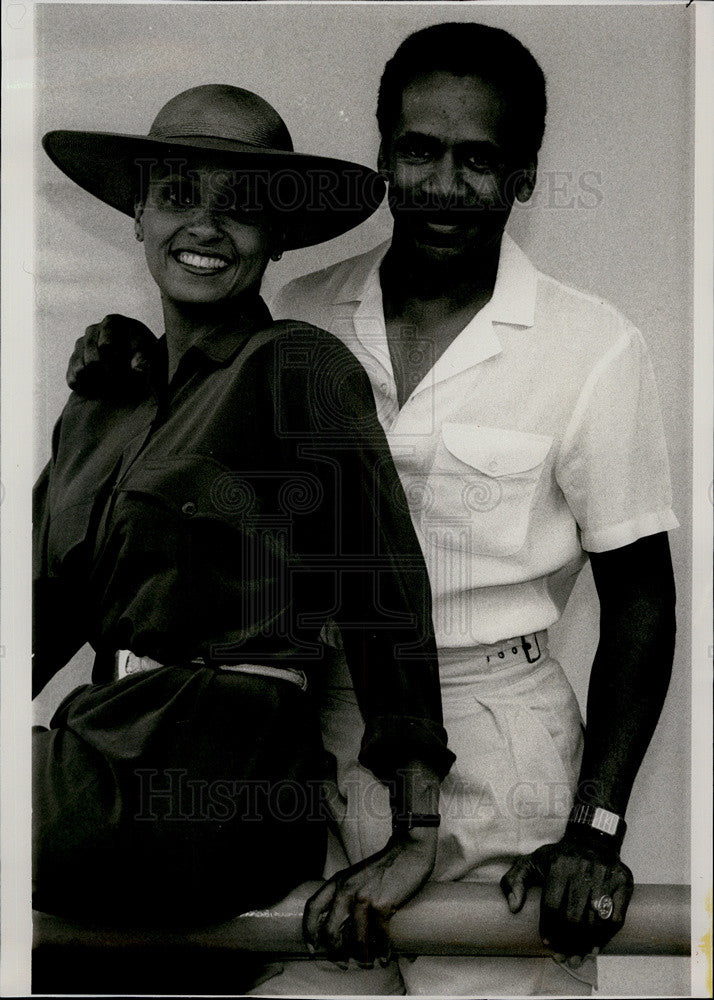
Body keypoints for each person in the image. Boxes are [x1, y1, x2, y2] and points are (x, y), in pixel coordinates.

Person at [64, 23, 679, 997]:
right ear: (383, 153)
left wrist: (594, 827)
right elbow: (186, 446)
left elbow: (642, 601)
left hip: (495, 732)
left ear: (523, 176)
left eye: (479, 159)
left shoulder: (592, 346)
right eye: (419, 150)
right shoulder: (299, 317)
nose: (443, 182)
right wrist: (126, 364)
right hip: (309, 727)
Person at [33, 84, 456, 934]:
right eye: (178, 196)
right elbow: (33, 615)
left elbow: (380, 590)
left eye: (242, 207)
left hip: (220, 774)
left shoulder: (297, 368)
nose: (205, 227)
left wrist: (416, 831)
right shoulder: (101, 406)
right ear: (139, 216)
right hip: (94, 757)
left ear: (277, 238)